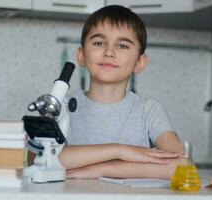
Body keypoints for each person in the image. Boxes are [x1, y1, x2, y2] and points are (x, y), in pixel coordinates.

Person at [59, 5, 184, 179]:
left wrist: (99, 170)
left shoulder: (148, 111)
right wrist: (120, 151)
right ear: (81, 55)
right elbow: (39, 158)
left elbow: (180, 164)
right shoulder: (61, 107)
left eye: (123, 46)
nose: (109, 52)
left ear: (140, 62)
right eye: (99, 43)